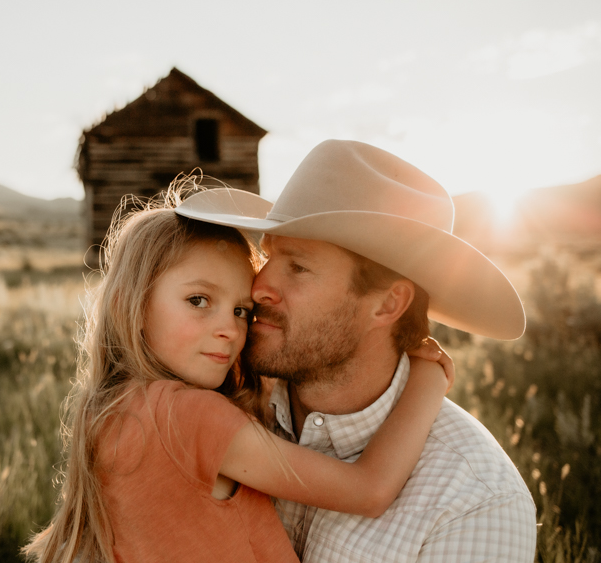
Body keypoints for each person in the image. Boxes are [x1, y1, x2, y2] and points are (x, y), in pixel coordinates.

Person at [22, 186, 454, 563]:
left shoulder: (114, 409)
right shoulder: (188, 416)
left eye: (241, 310)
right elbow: (369, 490)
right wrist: (430, 377)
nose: (229, 328)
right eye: (197, 300)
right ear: (130, 308)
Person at [175, 139, 537, 562]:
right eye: (267, 257)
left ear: (387, 304)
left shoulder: (472, 501)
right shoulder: (217, 396)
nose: (259, 288)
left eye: (298, 266)